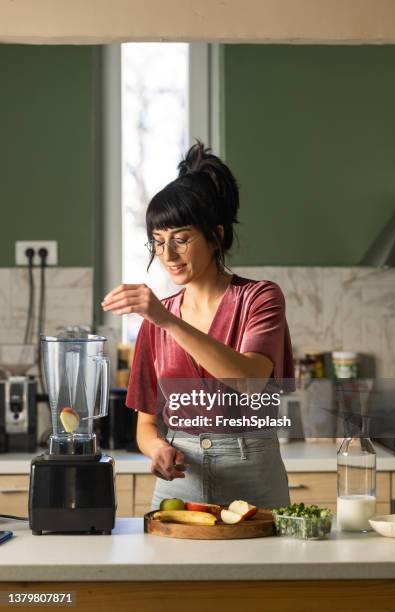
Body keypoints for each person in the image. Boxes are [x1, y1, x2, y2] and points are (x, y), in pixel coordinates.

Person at [102, 141, 294, 510]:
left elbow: (250, 380)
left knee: (261, 567)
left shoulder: (259, 298)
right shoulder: (158, 318)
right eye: (158, 242)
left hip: (252, 472)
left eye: (182, 239)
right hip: (180, 482)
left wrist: (167, 321)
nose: (168, 255)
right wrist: (158, 449)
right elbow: (146, 425)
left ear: (216, 235)